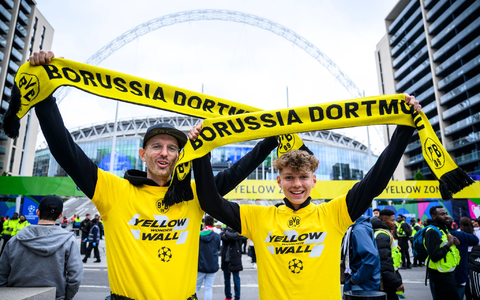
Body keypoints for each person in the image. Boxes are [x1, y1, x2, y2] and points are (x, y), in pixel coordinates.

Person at [29, 49, 280, 300]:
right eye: (156, 146)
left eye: (172, 148)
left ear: (180, 156)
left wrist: (270, 140)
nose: (164, 153)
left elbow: (235, 172)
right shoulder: (115, 191)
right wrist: (45, 99)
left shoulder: (192, 195)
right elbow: (66, 152)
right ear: (142, 153)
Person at [191, 95, 422, 299]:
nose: (297, 184)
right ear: (279, 181)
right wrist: (201, 154)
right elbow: (210, 201)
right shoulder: (258, 217)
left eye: (303, 177)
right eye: (290, 177)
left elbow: (375, 181)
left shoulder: (333, 213)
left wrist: (404, 130)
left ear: (314, 180)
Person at [0, 195, 83, 300]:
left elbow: (2, 274)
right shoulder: (69, 241)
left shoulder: (15, 240)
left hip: (16, 296)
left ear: (37, 212)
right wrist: (65, 297)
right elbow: (75, 277)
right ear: (60, 215)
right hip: (55, 297)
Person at [425, 206, 461, 300]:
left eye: (445, 213)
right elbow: (435, 256)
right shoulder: (432, 231)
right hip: (440, 274)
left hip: (446, 272)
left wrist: (456, 244)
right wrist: (449, 243)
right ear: (434, 216)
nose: (446, 216)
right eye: (442, 214)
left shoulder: (442, 228)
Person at [371, 209, 404, 300]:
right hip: (385, 282)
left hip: (387, 278)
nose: (395, 223)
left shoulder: (383, 233)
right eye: (392, 220)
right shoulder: (382, 235)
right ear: (384, 221)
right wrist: (396, 282)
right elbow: (384, 262)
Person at [343, 215, 381, 293]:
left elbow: (371, 256)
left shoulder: (358, 229)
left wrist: (356, 279)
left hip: (362, 285)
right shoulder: (355, 227)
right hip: (362, 283)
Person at [448, 216, 479, 300]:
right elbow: (476, 240)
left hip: (451, 266)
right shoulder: (467, 234)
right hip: (472, 257)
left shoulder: (458, 233)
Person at [196, 215, 221, 300]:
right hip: (212, 264)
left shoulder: (198, 235)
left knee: (196, 288)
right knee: (209, 288)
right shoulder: (217, 236)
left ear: (204, 224)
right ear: (213, 224)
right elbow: (218, 249)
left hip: (200, 265)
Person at [221, 226, 243, 300]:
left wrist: (226, 233)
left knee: (236, 280)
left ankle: (237, 297)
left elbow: (233, 237)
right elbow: (221, 236)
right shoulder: (226, 231)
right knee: (226, 280)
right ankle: (228, 296)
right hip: (226, 260)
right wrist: (227, 235)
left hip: (235, 259)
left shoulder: (239, 231)